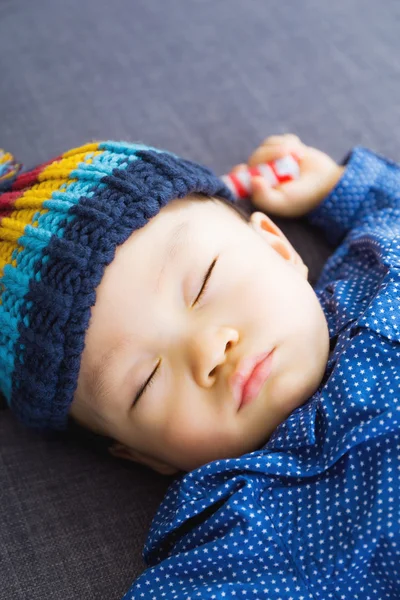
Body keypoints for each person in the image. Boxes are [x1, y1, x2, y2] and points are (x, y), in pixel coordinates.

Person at [1, 134, 399, 597]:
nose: (208, 351)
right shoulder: (243, 542)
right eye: (146, 382)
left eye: (204, 285)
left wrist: (337, 187)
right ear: (145, 456)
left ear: (277, 248)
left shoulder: (381, 264)